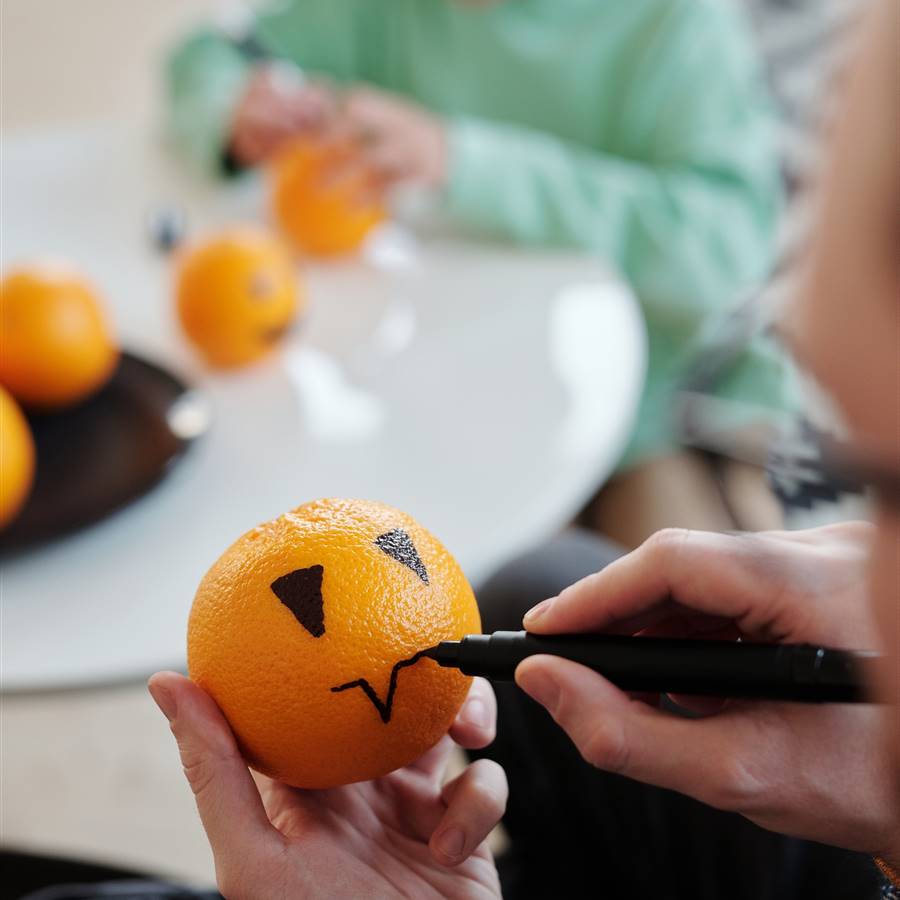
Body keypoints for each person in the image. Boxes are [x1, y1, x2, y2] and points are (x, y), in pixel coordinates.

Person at [165, 0, 794, 546]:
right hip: (439, 403)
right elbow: (210, 51)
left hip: (649, 418)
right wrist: (234, 111)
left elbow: (725, 246)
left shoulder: (675, 24)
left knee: (695, 632)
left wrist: (466, 163)